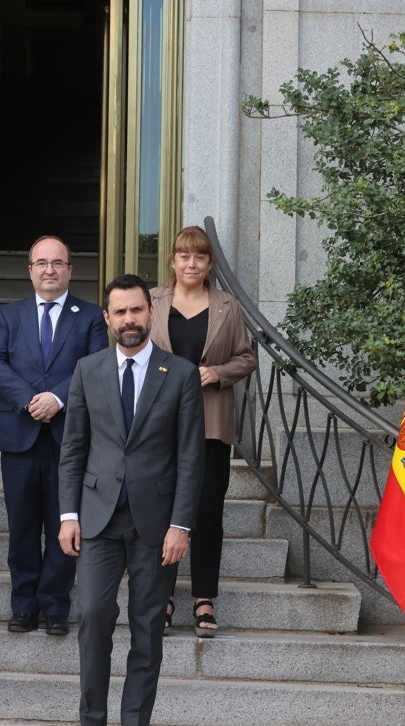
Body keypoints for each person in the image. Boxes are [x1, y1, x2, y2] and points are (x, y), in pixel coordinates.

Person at [55, 274, 204, 726]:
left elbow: (190, 458)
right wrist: (69, 514)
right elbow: (73, 448)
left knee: (147, 627)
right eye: (119, 312)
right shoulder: (88, 370)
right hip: (97, 519)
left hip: (156, 524)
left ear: (150, 312)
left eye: (136, 310)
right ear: (107, 318)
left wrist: (181, 525)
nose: (129, 320)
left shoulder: (179, 373)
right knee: (93, 617)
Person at [0, 235, 108, 635]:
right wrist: (28, 399)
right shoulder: (10, 314)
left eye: (57, 263)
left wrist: (57, 398)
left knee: (63, 521)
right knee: (22, 525)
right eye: (42, 263)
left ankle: (56, 606)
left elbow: (95, 364)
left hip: (67, 436)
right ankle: (23, 606)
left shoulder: (90, 316)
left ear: (69, 270)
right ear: (30, 270)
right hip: (20, 434)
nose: (49, 269)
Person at [149, 225, 257, 637]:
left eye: (199, 256)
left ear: (209, 263)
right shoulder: (153, 302)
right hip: (161, 422)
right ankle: (163, 596)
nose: (191, 264)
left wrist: (217, 372)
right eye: (184, 256)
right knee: (162, 511)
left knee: (207, 513)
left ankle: (204, 598)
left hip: (210, 422)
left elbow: (246, 358)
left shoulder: (227, 305)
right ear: (173, 261)